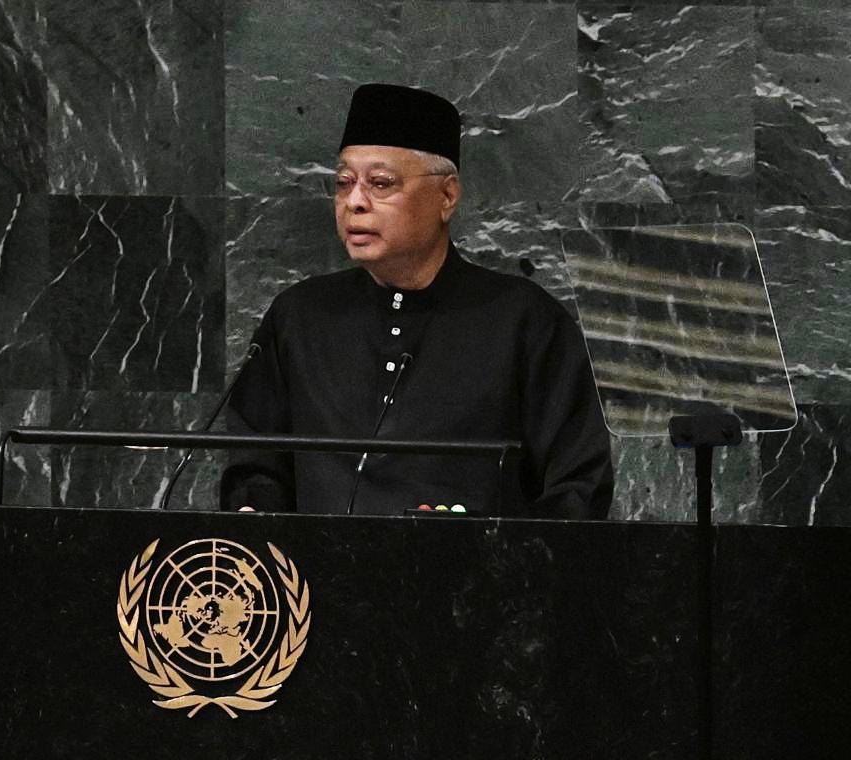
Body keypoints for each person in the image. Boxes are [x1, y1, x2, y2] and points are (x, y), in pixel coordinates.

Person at [221, 83, 613, 518]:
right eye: (344, 183)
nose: (355, 202)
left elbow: (578, 486)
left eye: (380, 183)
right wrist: (253, 513)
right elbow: (256, 467)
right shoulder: (299, 316)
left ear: (447, 196)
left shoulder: (524, 320)